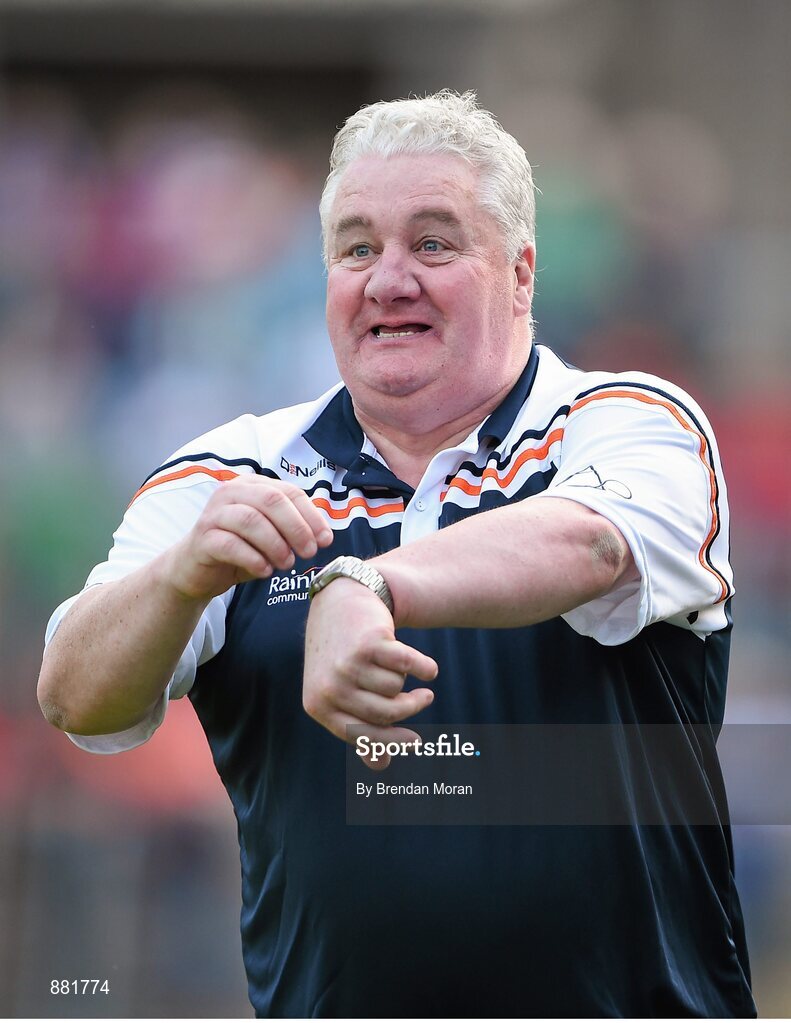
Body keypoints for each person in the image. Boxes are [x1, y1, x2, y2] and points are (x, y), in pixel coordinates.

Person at [38, 90, 755, 1017]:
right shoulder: (230, 471)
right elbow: (75, 695)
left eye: (432, 243)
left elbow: (586, 541)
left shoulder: (625, 421)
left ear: (521, 273)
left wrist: (367, 583)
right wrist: (178, 579)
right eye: (356, 248)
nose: (387, 280)